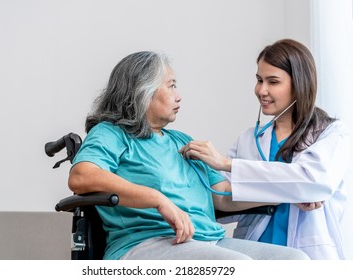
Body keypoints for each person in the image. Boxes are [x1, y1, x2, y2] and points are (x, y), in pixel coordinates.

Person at [67, 51, 309, 260]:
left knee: (294, 261)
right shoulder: (112, 133)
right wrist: (158, 199)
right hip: (144, 244)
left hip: (208, 241)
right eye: (171, 85)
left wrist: (284, 194)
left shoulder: (181, 141)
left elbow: (223, 196)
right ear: (144, 91)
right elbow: (81, 176)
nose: (178, 95)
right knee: (237, 267)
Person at [180, 39, 351, 260]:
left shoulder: (332, 133)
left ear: (299, 83)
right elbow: (219, 198)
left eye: (273, 81)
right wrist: (288, 192)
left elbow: (314, 181)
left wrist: (228, 164)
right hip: (255, 248)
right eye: (259, 80)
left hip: (309, 252)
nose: (262, 90)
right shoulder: (250, 138)